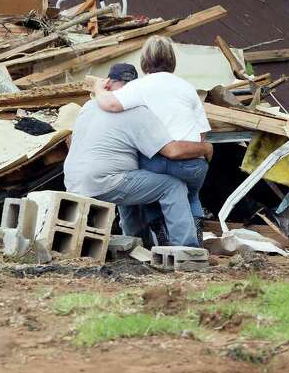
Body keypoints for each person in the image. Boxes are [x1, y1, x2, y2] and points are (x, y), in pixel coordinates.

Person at [63, 63, 213, 247]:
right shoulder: (136, 111)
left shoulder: (88, 106)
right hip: (104, 182)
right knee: (173, 186)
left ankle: (135, 243)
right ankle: (187, 249)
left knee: (129, 182)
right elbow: (172, 151)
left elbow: (71, 141)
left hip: (73, 181)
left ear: (108, 84)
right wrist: (205, 148)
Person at [91, 35, 212, 237]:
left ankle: (159, 228)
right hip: (192, 164)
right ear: (173, 60)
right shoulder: (188, 88)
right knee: (191, 195)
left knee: (147, 190)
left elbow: (111, 104)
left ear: (144, 61)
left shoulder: (138, 87)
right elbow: (201, 135)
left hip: (155, 161)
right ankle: (195, 229)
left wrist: (96, 88)